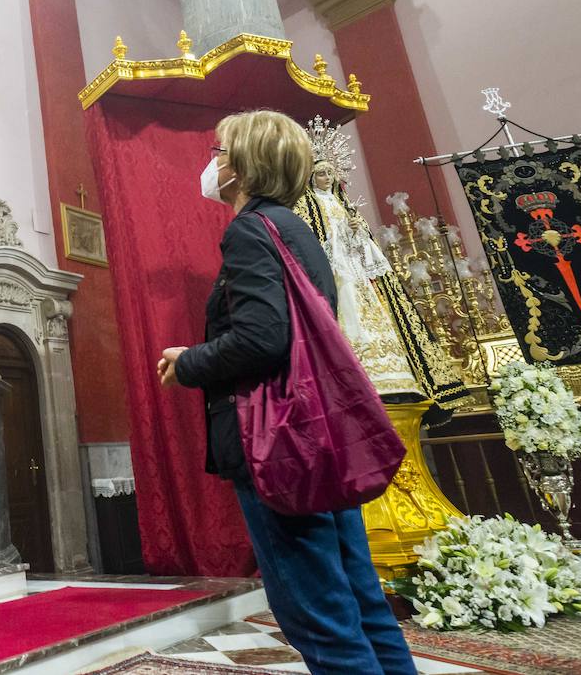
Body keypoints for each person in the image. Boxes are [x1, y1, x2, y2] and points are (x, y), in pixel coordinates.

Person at [157, 109, 417, 675]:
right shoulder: (295, 229)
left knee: (316, 613)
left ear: (245, 166)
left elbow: (262, 337)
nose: (212, 163)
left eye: (219, 152)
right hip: (319, 438)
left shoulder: (250, 230)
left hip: (279, 444)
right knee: (361, 603)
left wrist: (190, 362)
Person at [294, 119, 469, 416]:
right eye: (320, 173)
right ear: (310, 177)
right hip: (334, 276)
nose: (325, 178)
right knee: (348, 314)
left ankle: (395, 373)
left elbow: (368, 248)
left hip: (359, 274)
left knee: (378, 316)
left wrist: (356, 229)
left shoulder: (345, 204)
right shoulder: (305, 206)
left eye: (329, 173)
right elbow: (309, 242)